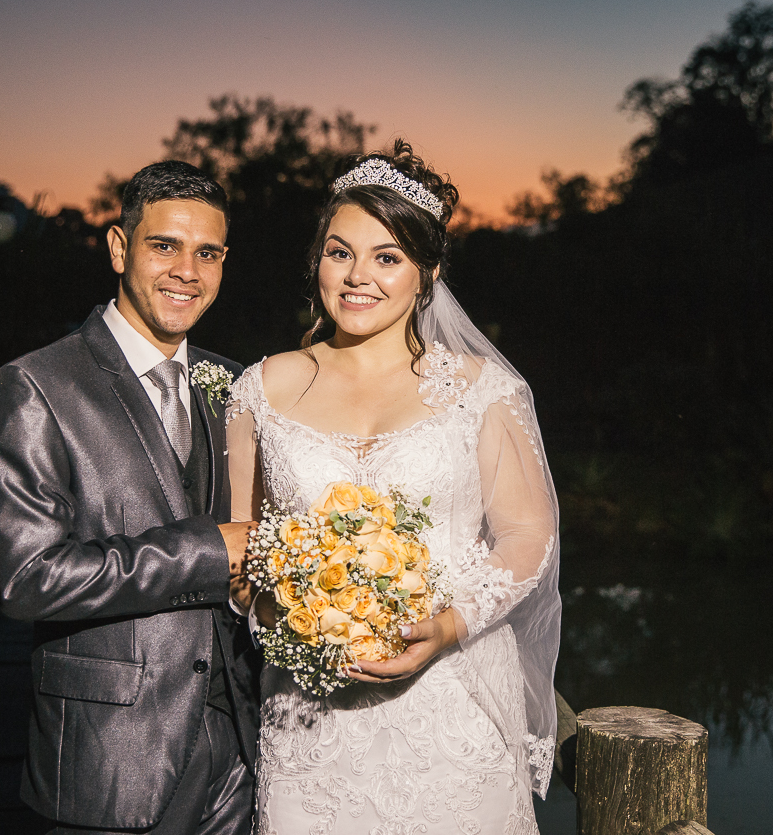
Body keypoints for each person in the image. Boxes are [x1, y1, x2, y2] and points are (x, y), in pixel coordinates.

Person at [226, 142, 562, 834]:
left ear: (427, 274)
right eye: (339, 252)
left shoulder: (483, 392)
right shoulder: (260, 389)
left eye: (387, 257)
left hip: (453, 711)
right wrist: (295, 621)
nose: (358, 276)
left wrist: (447, 627)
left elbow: (528, 533)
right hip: (310, 721)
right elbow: (241, 551)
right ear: (317, 260)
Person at [0, 160, 260, 835]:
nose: (186, 271)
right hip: (115, 754)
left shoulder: (235, 384)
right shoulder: (37, 386)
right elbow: (26, 579)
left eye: (207, 253)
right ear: (118, 247)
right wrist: (206, 554)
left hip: (243, 746)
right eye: (164, 245)